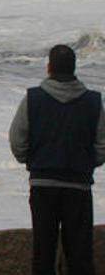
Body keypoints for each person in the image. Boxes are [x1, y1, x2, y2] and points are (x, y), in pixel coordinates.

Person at [9, 44, 105, 275]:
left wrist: (30, 159)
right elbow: (102, 146)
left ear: (49, 68)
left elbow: (17, 140)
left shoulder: (33, 99)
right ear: (74, 68)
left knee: (43, 253)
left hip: (43, 185)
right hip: (78, 186)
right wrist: (87, 163)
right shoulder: (93, 101)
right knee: (80, 254)